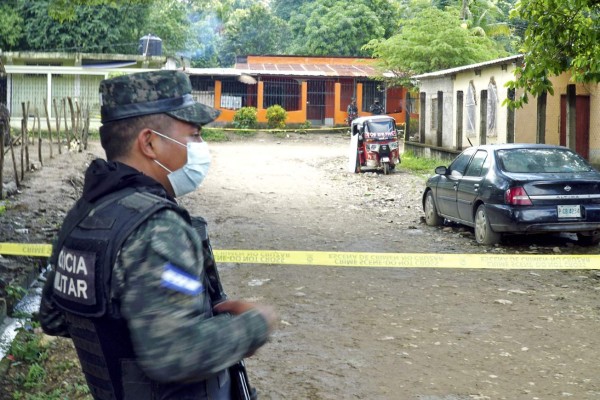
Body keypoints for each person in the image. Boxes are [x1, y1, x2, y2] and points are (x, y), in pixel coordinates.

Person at [38, 70, 277, 400]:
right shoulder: (157, 228)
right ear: (149, 142)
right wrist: (256, 323)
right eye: (193, 136)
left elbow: (53, 317)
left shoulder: (86, 213)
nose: (200, 147)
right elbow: (176, 354)